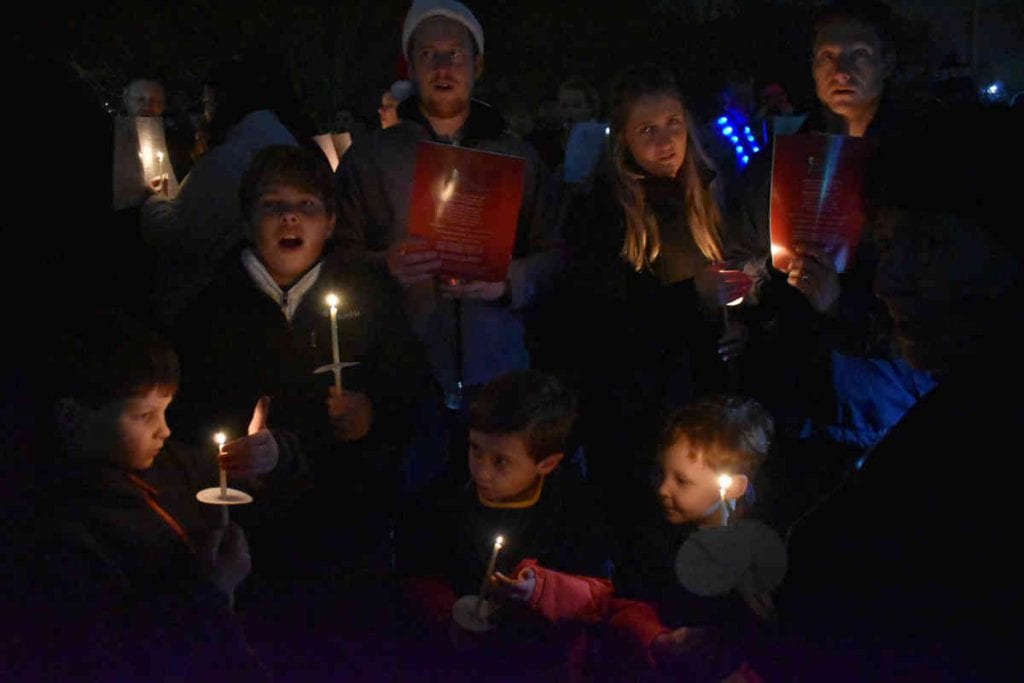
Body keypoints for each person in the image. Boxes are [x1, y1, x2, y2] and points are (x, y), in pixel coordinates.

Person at [755, 103, 1023, 682]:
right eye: (886, 242)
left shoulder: (985, 446)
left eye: (928, 245)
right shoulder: (961, 410)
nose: (888, 279)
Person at [172, 144, 431, 576]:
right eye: (272, 205)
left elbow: (410, 388)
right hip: (249, 527)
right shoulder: (210, 309)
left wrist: (373, 413)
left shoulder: (371, 298)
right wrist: (232, 450)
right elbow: (186, 409)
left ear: (330, 223)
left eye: (306, 206)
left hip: (347, 516)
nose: (289, 218)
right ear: (247, 220)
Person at [334, 0, 561, 490]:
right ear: (410, 65)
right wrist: (384, 265)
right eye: (428, 54)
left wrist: (508, 281)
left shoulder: (517, 156)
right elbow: (337, 255)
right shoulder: (371, 158)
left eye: (455, 54)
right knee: (416, 505)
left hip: (497, 370)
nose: (442, 67)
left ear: (476, 65)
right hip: (406, 370)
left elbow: (555, 254)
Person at [727, 0, 934, 530]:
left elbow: (937, 285)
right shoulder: (778, 161)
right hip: (793, 388)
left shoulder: (919, 161)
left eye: (859, 54)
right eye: (827, 56)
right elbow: (744, 252)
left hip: (885, 392)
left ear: (887, 62)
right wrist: (753, 288)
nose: (842, 70)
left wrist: (842, 306)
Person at [537, 65, 760, 546]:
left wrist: (734, 321)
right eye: (647, 129)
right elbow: (601, 320)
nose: (665, 140)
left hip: (699, 403)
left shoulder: (708, 194)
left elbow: (723, 288)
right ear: (623, 142)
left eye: (673, 124)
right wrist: (690, 297)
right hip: (633, 410)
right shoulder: (600, 211)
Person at [2, 308, 277, 681]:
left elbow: (252, 491)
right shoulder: (62, 534)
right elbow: (112, 655)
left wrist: (269, 459)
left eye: (165, 412)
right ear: (72, 418)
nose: (163, 431)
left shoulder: (173, 463)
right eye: (144, 416)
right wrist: (210, 592)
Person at [394, 369, 614, 682]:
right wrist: (448, 617)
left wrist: (539, 589)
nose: (481, 472)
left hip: (541, 664)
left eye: (501, 461)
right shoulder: (447, 494)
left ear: (547, 463)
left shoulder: (573, 506)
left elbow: (597, 596)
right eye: (476, 449)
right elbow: (417, 568)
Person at [606, 395, 776, 682]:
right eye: (662, 472)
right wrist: (658, 638)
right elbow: (623, 601)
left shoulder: (759, 549)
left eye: (681, 481)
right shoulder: (655, 533)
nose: (662, 488)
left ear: (732, 487)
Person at [140, 50, 304, 329]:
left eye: (207, 102)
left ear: (223, 100)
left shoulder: (228, 159)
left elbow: (177, 233)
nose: (205, 112)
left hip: (217, 313)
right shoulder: (283, 141)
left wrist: (153, 199)